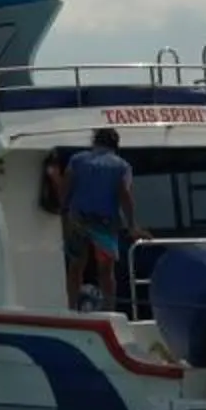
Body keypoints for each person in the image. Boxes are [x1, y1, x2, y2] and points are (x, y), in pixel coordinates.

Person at [59, 127, 143, 312]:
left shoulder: (77, 160)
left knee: (76, 266)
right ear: (116, 145)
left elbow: (66, 186)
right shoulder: (122, 166)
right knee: (106, 270)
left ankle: (72, 307)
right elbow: (124, 195)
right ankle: (109, 308)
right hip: (105, 223)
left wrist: (62, 210)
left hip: (78, 219)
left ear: (94, 141)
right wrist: (132, 225)